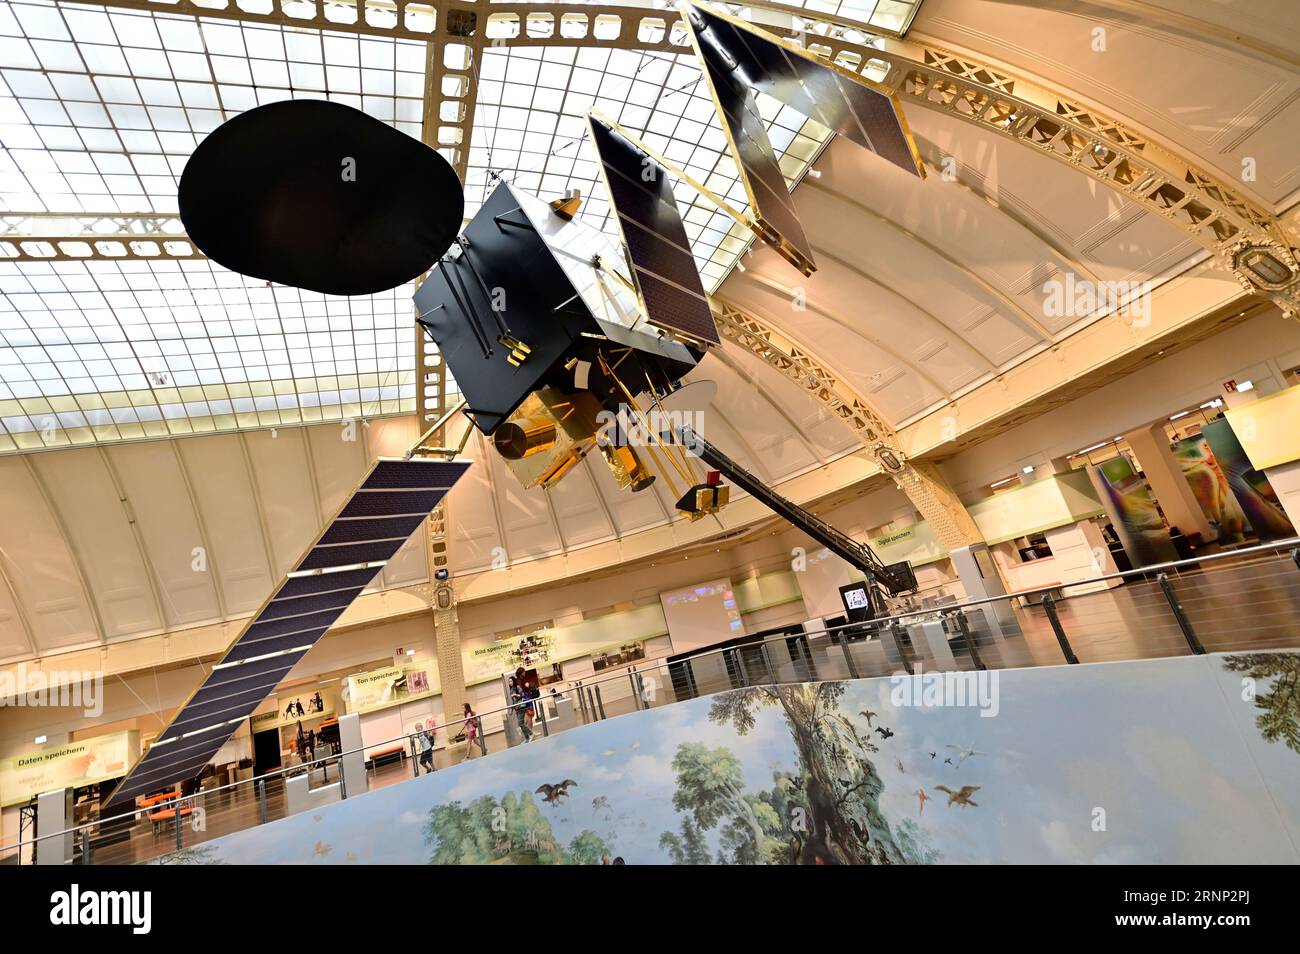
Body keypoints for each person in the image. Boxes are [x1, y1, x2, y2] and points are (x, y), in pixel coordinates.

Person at [510, 679, 533, 743]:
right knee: (521, 724)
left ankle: (531, 734)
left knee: (520, 723)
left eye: (511, 681)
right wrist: (512, 709)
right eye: (509, 681)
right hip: (517, 708)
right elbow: (514, 701)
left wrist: (515, 695)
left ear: (514, 681)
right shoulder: (512, 689)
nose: (510, 683)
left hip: (521, 707)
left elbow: (522, 695)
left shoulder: (517, 687)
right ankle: (527, 738)